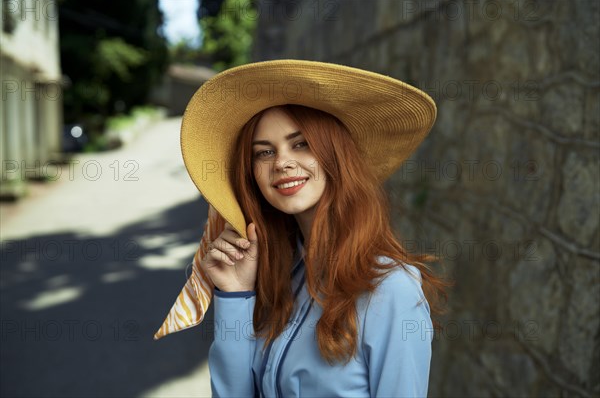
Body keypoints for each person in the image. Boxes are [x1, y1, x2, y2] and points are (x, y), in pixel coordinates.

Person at [155, 60, 450, 397]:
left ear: (335, 155)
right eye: (264, 152)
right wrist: (235, 294)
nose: (281, 162)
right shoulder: (277, 278)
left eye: (301, 144)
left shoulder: (391, 290)